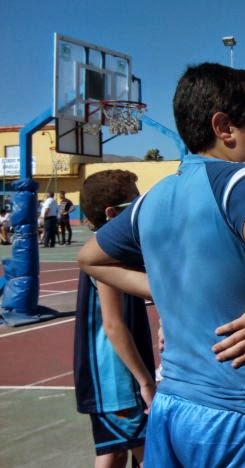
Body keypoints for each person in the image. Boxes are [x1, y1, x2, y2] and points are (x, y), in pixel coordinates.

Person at [77, 62, 245, 467]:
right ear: (224, 127)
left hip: (174, 406)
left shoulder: (153, 198)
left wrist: (162, 287)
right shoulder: (242, 180)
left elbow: (90, 258)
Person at [73, 170, 156, 468]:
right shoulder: (107, 254)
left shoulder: (112, 250)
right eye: (134, 204)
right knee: (151, 454)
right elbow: (113, 324)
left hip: (111, 379)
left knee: (113, 451)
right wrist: (144, 381)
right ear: (112, 214)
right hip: (117, 380)